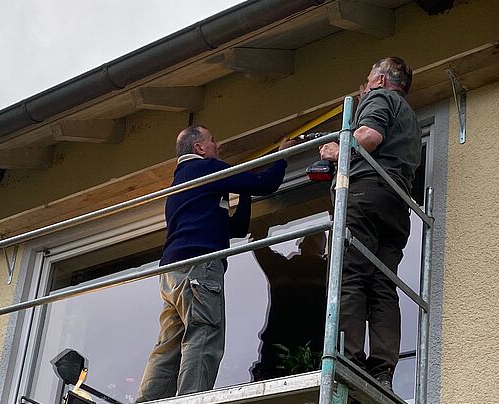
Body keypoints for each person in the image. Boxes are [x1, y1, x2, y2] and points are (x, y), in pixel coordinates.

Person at [136, 125, 295, 402]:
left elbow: (236, 228)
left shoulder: (181, 184)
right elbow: (267, 184)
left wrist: (243, 189)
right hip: (200, 266)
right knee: (203, 335)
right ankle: (192, 400)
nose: (217, 145)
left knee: (170, 344)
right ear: (199, 148)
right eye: (212, 140)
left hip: (172, 274)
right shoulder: (207, 168)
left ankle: (149, 399)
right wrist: (283, 155)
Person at [319, 57, 422, 390]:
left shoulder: (379, 98)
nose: (363, 87)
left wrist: (337, 150)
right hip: (396, 206)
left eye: (367, 79)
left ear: (379, 79)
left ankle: (347, 360)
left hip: (364, 195)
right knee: (382, 286)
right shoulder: (411, 118)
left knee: (350, 275)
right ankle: (382, 370)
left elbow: (370, 136)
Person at [250, 227, 328, 380]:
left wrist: (264, 222)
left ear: (301, 245)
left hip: (278, 350)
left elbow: (259, 246)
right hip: (311, 350)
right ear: (322, 249)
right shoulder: (326, 271)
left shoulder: (281, 268)